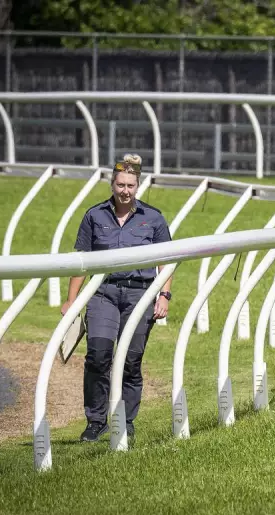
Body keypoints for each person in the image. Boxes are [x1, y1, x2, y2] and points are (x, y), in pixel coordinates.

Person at [61, 154, 173, 443]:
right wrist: (71, 301)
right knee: (98, 355)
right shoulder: (94, 215)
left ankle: (125, 420)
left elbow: (166, 261)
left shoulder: (154, 217)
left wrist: (164, 295)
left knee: (131, 361)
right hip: (102, 293)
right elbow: (81, 260)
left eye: (130, 186)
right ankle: (96, 421)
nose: (125, 191)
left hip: (140, 294)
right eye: (120, 185)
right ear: (112, 184)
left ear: (138, 186)